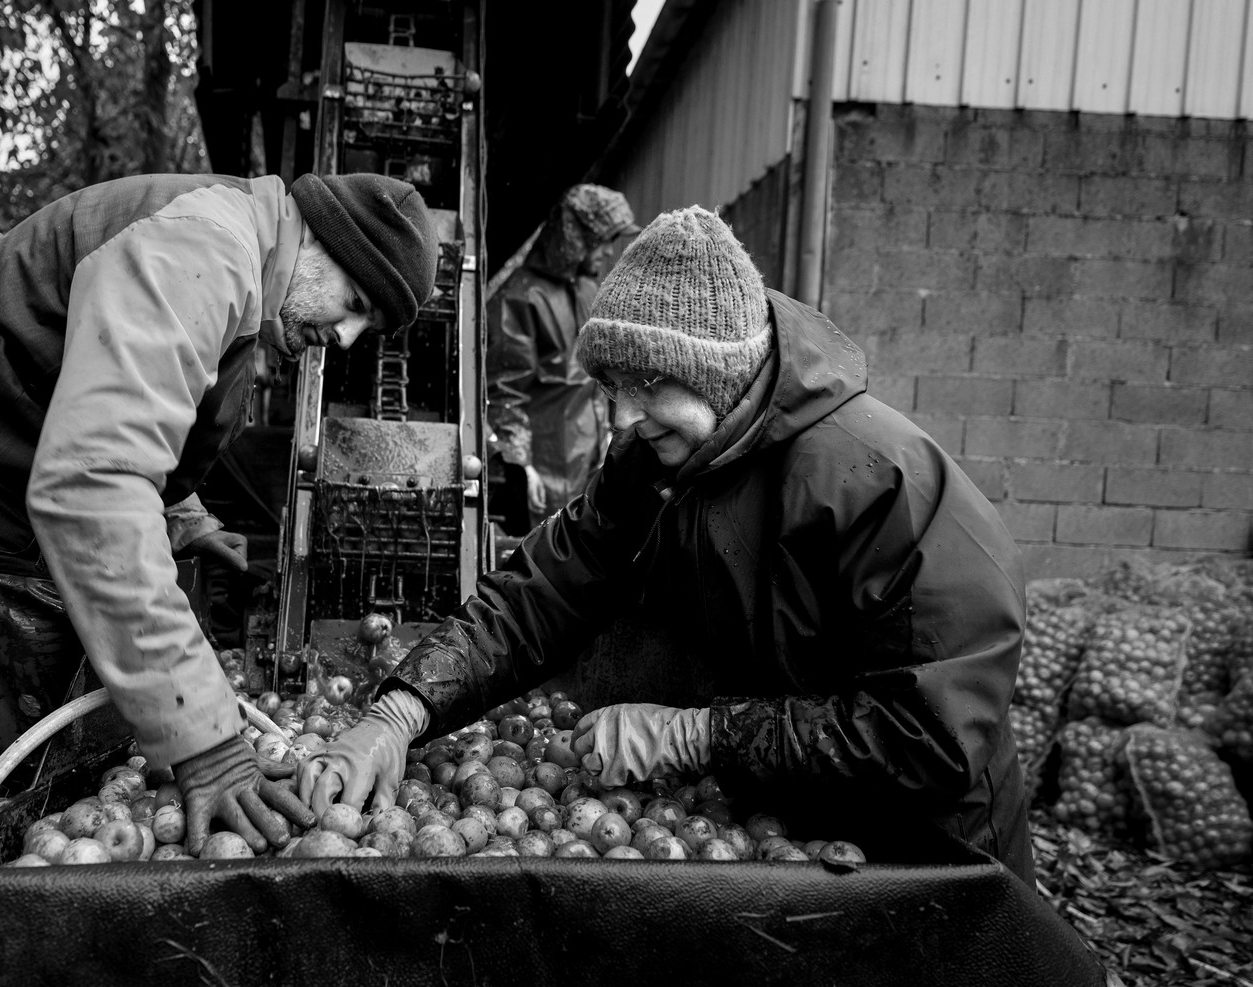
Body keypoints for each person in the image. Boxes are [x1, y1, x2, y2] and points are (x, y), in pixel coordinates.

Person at [299, 206, 1033, 882]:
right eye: (611, 385)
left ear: (718, 371)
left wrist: (700, 737)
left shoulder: (884, 486)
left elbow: (928, 734)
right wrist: (400, 713)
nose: (622, 417)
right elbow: (539, 594)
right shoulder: (653, 464)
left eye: (647, 383)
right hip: (774, 835)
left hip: (928, 859)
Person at [0, 171, 439, 861]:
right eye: (354, 304)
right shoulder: (205, 246)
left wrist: (183, 515)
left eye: (367, 328)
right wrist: (207, 741)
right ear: (320, 237)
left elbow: (129, 404)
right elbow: (95, 482)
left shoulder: (236, 254)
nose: (346, 338)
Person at [486, 184, 638, 532]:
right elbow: (504, 390)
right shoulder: (520, 296)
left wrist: (608, 436)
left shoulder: (587, 290)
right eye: (604, 240)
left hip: (588, 459)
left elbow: (601, 377)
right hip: (544, 466)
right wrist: (521, 465)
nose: (608, 251)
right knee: (543, 546)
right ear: (578, 239)